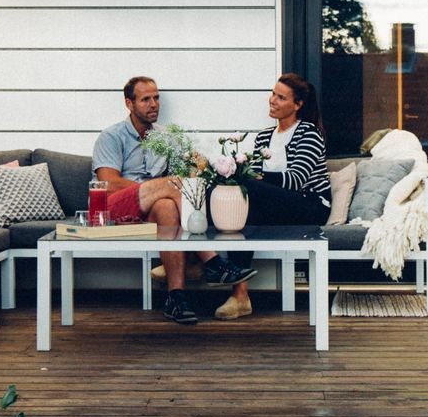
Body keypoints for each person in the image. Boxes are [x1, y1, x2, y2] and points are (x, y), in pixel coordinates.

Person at [202, 73, 331, 321]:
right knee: (242, 210)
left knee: (243, 185)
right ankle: (239, 295)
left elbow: (295, 180)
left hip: (309, 205)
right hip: (276, 207)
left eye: (281, 97)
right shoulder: (263, 136)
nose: (272, 100)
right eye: (273, 93)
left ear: (298, 104)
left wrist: (253, 179)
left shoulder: (309, 134)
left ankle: (203, 264)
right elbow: (259, 180)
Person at [92, 76, 203, 324]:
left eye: (156, 98)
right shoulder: (111, 136)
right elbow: (108, 184)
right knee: (168, 186)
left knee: (166, 204)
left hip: (150, 212)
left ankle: (176, 297)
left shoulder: (165, 137)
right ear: (129, 104)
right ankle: (210, 258)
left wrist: (198, 167)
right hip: (114, 210)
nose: (153, 104)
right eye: (145, 99)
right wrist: (155, 187)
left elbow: (185, 175)